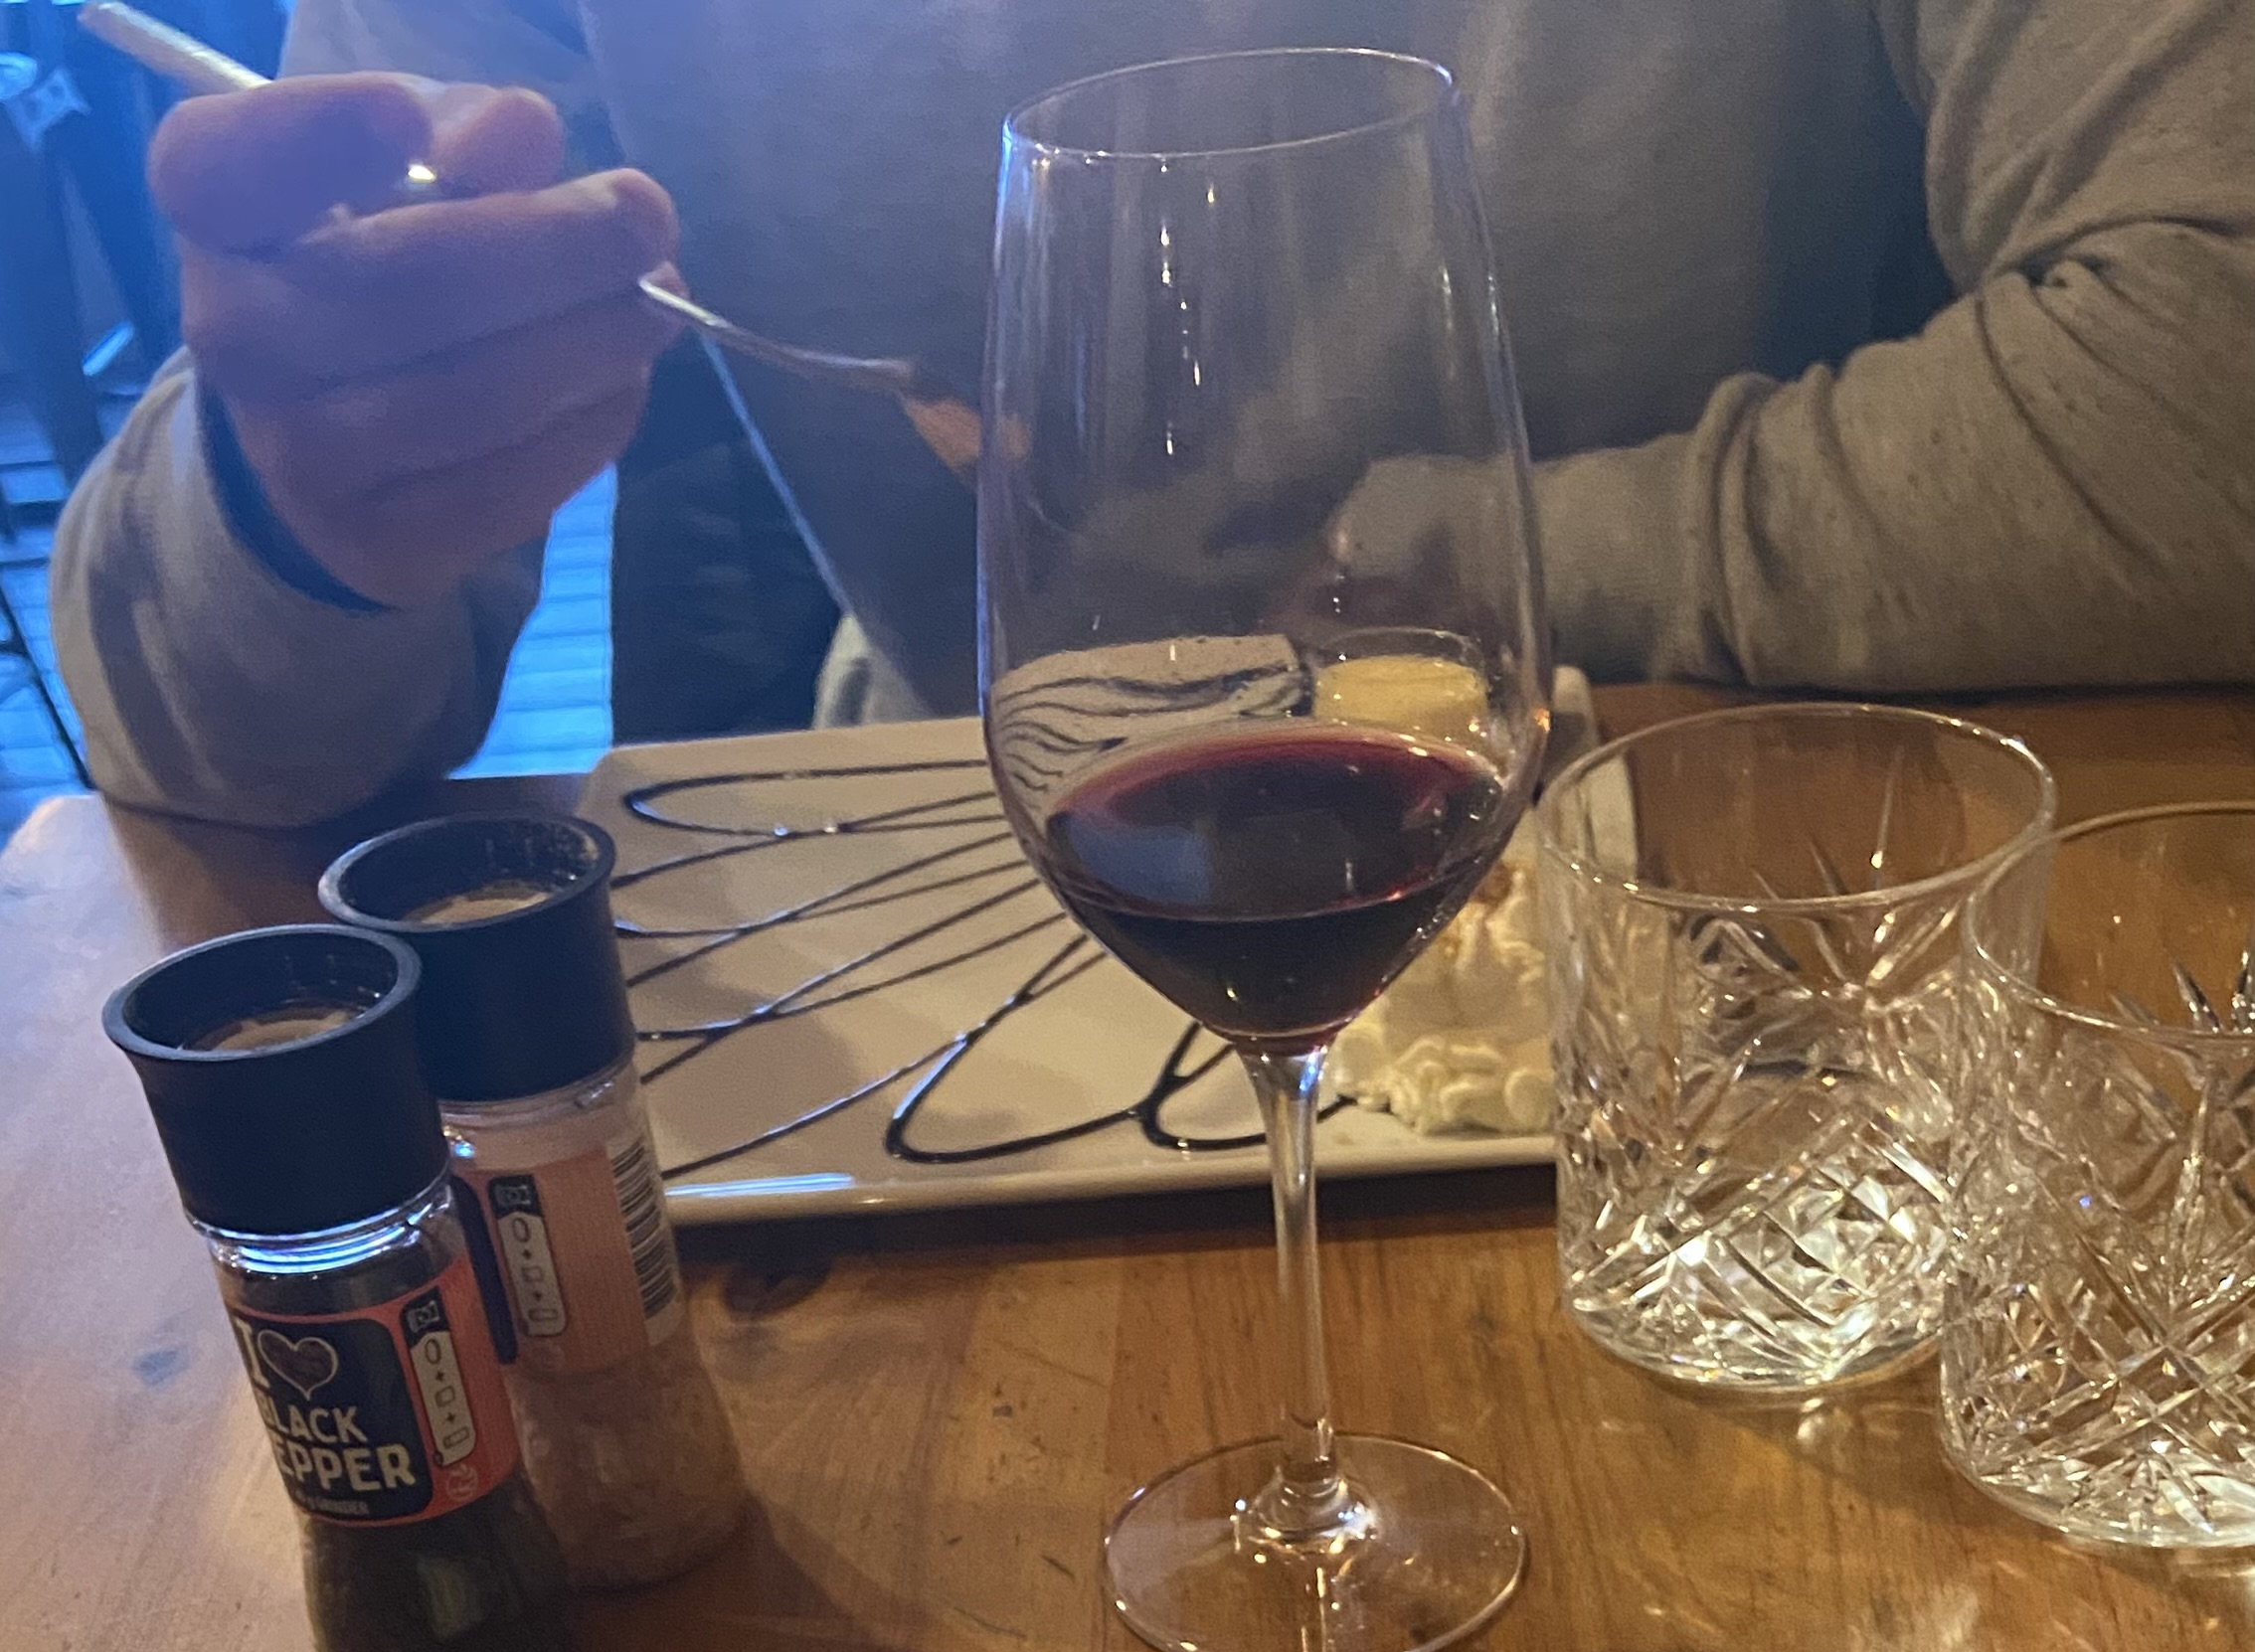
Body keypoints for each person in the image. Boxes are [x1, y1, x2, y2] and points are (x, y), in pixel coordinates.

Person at [53, 0, 2255, 828]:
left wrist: (1421, 573)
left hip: (1767, 900)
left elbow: (2209, 383)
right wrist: (293, 499)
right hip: (955, 925)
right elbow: (204, 752)